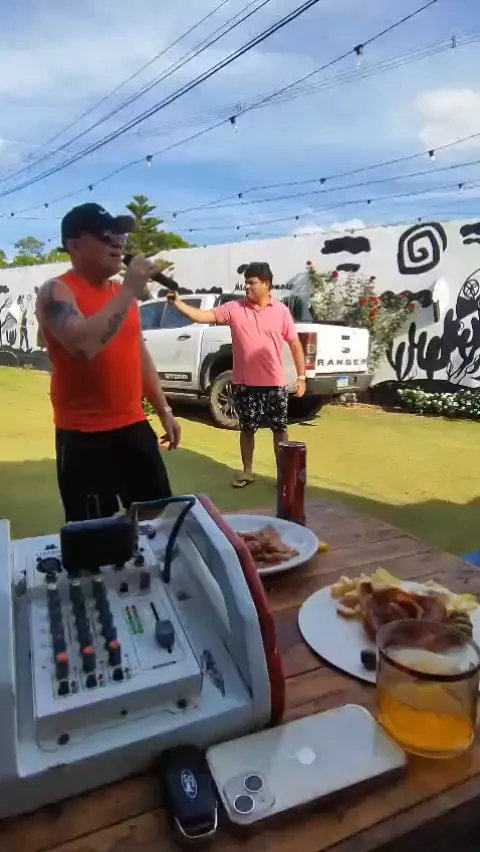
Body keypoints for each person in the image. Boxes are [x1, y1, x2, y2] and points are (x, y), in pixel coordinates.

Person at [35, 202, 181, 522]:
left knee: (156, 520)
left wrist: (164, 409)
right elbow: (84, 345)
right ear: (75, 245)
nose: (118, 243)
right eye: (106, 236)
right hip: (83, 435)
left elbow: (138, 353)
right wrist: (130, 289)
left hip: (133, 425)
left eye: (120, 235)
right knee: (97, 532)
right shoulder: (56, 292)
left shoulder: (119, 294)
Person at [169, 261, 306, 488]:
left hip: (274, 384)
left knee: (280, 430)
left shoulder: (281, 311)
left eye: (252, 283)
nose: (247, 287)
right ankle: (247, 471)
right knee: (247, 429)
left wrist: (301, 377)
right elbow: (203, 316)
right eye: (245, 283)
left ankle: (284, 476)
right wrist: (179, 304)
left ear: (266, 284)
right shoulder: (235, 308)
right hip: (245, 383)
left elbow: (295, 344)